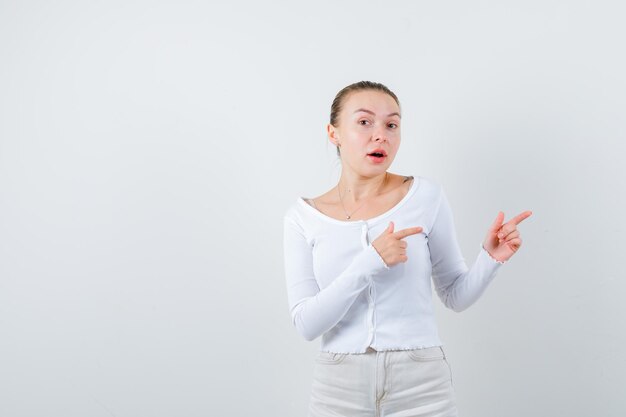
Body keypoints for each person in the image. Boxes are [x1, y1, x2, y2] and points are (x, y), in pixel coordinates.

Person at [282, 80, 531, 417]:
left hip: (421, 383)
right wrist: (369, 261)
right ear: (333, 133)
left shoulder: (425, 197)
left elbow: (455, 296)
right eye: (364, 122)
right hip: (338, 387)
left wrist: (491, 259)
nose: (381, 134)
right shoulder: (303, 217)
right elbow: (307, 325)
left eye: (392, 124)